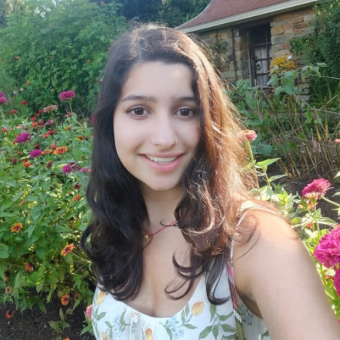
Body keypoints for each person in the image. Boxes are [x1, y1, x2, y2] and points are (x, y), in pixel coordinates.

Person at [81, 24, 340, 340]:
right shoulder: (119, 226)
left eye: (185, 111)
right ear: (110, 122)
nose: (164, 138)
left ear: (209, 119)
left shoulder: (252, 240)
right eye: (138, 110)